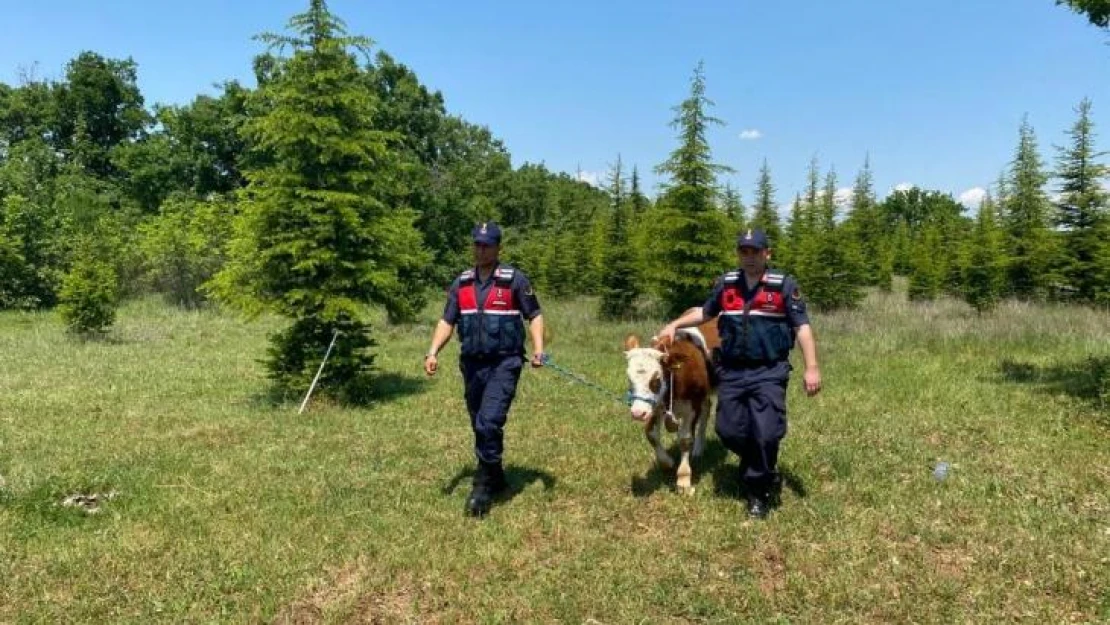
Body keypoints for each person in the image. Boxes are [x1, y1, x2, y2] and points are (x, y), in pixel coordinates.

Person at [657, 228, 821, 519]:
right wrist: (674, 324)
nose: (749, 258)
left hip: (769, 370)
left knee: (767, 433)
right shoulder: (728, 284)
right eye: (744, 252)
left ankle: (758, 491)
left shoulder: (782, 286)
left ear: (766, 254)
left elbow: (802, 328)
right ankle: (761, 465)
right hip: (731, 369)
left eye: (755, 252)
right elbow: (705, 312)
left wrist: (812, 367)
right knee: (728, 430)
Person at [424, 221, 545, 518]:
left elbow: (535, 314)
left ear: (497, 248)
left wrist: (539, 348)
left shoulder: (514, 280)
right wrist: (432, 351)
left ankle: (483, 485)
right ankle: (497, 473)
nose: (480, 250)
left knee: (488, 422)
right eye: (477, 244)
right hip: (472, 364)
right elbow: (447, 321)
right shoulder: (461, 283)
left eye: (486, 245)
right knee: (478, 421)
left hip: (505, 362)